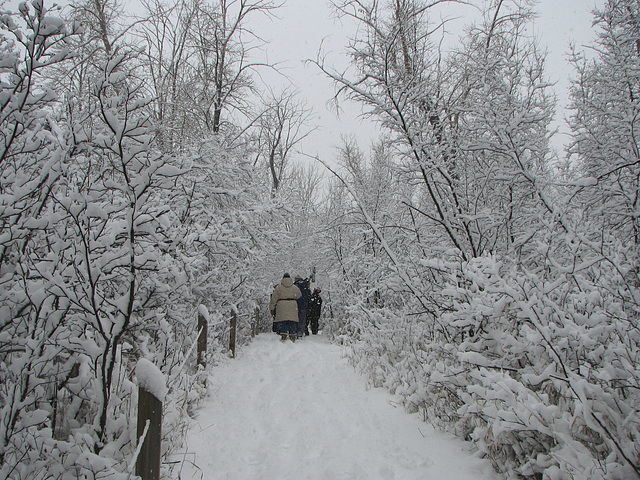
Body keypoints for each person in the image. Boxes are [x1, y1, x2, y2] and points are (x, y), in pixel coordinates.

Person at [269, 273, 302, 342]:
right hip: (292, 305)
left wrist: (272, 308)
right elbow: (299, 295)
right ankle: (292, 334)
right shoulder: (295, 287)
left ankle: (283, 334)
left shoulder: (279, 287)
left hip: (282, 304)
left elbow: (274, 299)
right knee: (292, 321)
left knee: (283, 321)